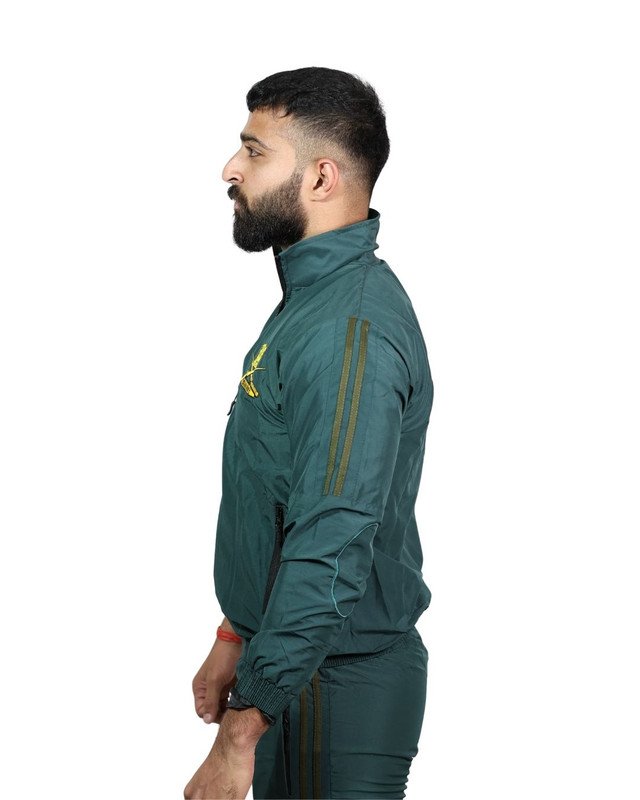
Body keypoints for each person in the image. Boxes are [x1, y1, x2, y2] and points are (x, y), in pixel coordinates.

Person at [184, 66, 434, 800]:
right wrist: (236, 633)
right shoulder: (312, 304)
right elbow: (280, 493)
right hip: (292, 671)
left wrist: (240, 733)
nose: (231, 169)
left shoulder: (348, 329)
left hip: (334, 691)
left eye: (254, 151)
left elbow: (332, 540)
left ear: (321, 177)